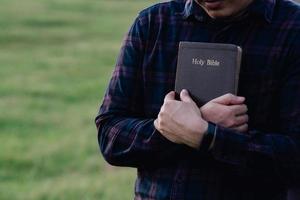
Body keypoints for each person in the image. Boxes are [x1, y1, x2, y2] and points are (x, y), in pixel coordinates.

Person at [95, 0, 300, 199]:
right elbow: (110, 135)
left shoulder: (293, 29)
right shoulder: (152, 23)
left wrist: (209, 136)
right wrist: (176, 130)